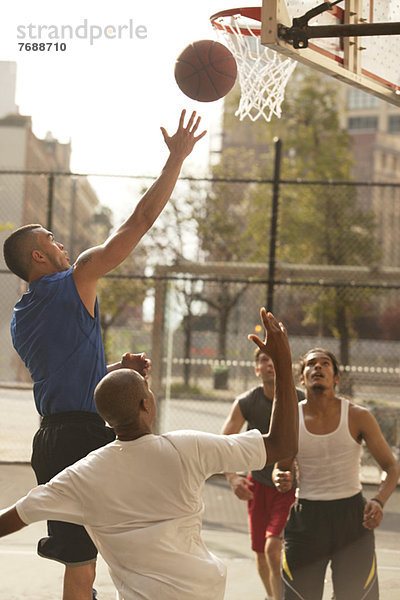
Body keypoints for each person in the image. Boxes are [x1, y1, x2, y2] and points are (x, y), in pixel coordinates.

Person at [2, 110, 206, 600]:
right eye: (51, 239)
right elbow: (138, 222)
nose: (61, 243)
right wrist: (175, 161)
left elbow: (65, 377)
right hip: (89, 437)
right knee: (134, 548)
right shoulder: (75, 280)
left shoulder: (21, 316)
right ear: (37, 256)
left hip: (51, 439)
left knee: (80, 565)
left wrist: (114, 371)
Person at [0, 309, 299, 600]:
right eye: (148, 389)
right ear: (146, 405)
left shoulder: (83, 475)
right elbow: (281, 444)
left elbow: (11, 519)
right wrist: (283, 363)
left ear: (106, 418)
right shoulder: (188, 448)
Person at [273, 347, 400, 600]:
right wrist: (280, 477)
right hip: (307, 519)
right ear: (302, 378)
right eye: (310, 364)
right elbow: (281, 467)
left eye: (325, 364)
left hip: (352, 518)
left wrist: (378, 500)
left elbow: (391, 467)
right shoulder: (290, 418)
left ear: (336, 378)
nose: (317, 367)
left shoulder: (358, 416)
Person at [221, 347, 305, 600]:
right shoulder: (247, 402)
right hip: (257, 484)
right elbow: (225, 441)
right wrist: (233, 478)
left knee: (273, 548)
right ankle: (273, 596)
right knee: (260, 551)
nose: (270, 364)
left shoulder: (301, 400)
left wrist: (298, 472)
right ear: (257, 369)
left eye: (274, 359)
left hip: (288, 487)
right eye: (264, 360)